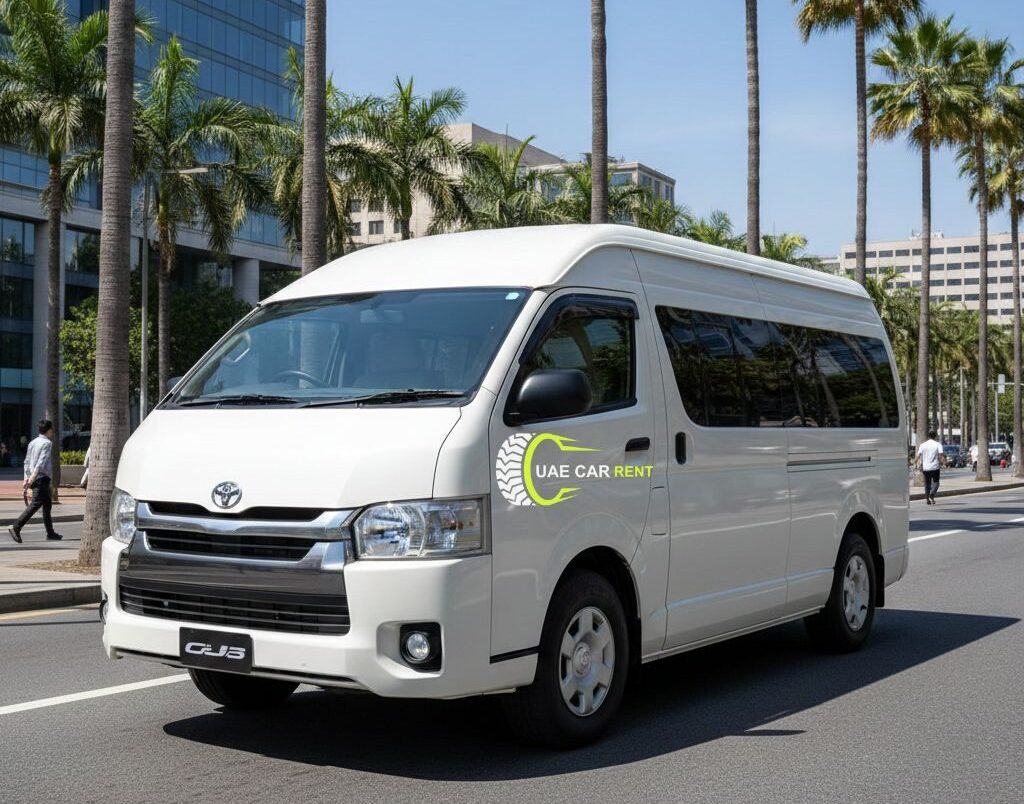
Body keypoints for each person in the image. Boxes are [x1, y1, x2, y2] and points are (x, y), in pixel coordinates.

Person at [7, 419, 63, 543]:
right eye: (52, 429)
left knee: (47, 505)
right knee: (35, 504)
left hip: (34, 477)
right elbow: (41, 463)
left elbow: (26, 461)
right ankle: (16, 527)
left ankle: (50, 533)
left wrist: (26, 478)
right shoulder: (47, 443)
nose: (53, 431)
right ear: (48, 430)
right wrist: (32, 478)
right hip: (41, 478)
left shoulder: (32, 442)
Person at [916, 429, 945, 506]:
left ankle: (927, 499)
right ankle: (932, 494)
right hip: (935, 467)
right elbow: (941, 455)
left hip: (926, 468)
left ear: (928, 436)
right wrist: (943, 462)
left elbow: (918, 456)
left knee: (927, 483)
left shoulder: (923, 445)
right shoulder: (938, 444)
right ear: (935, 436)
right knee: (936, 482)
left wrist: (915, 463)